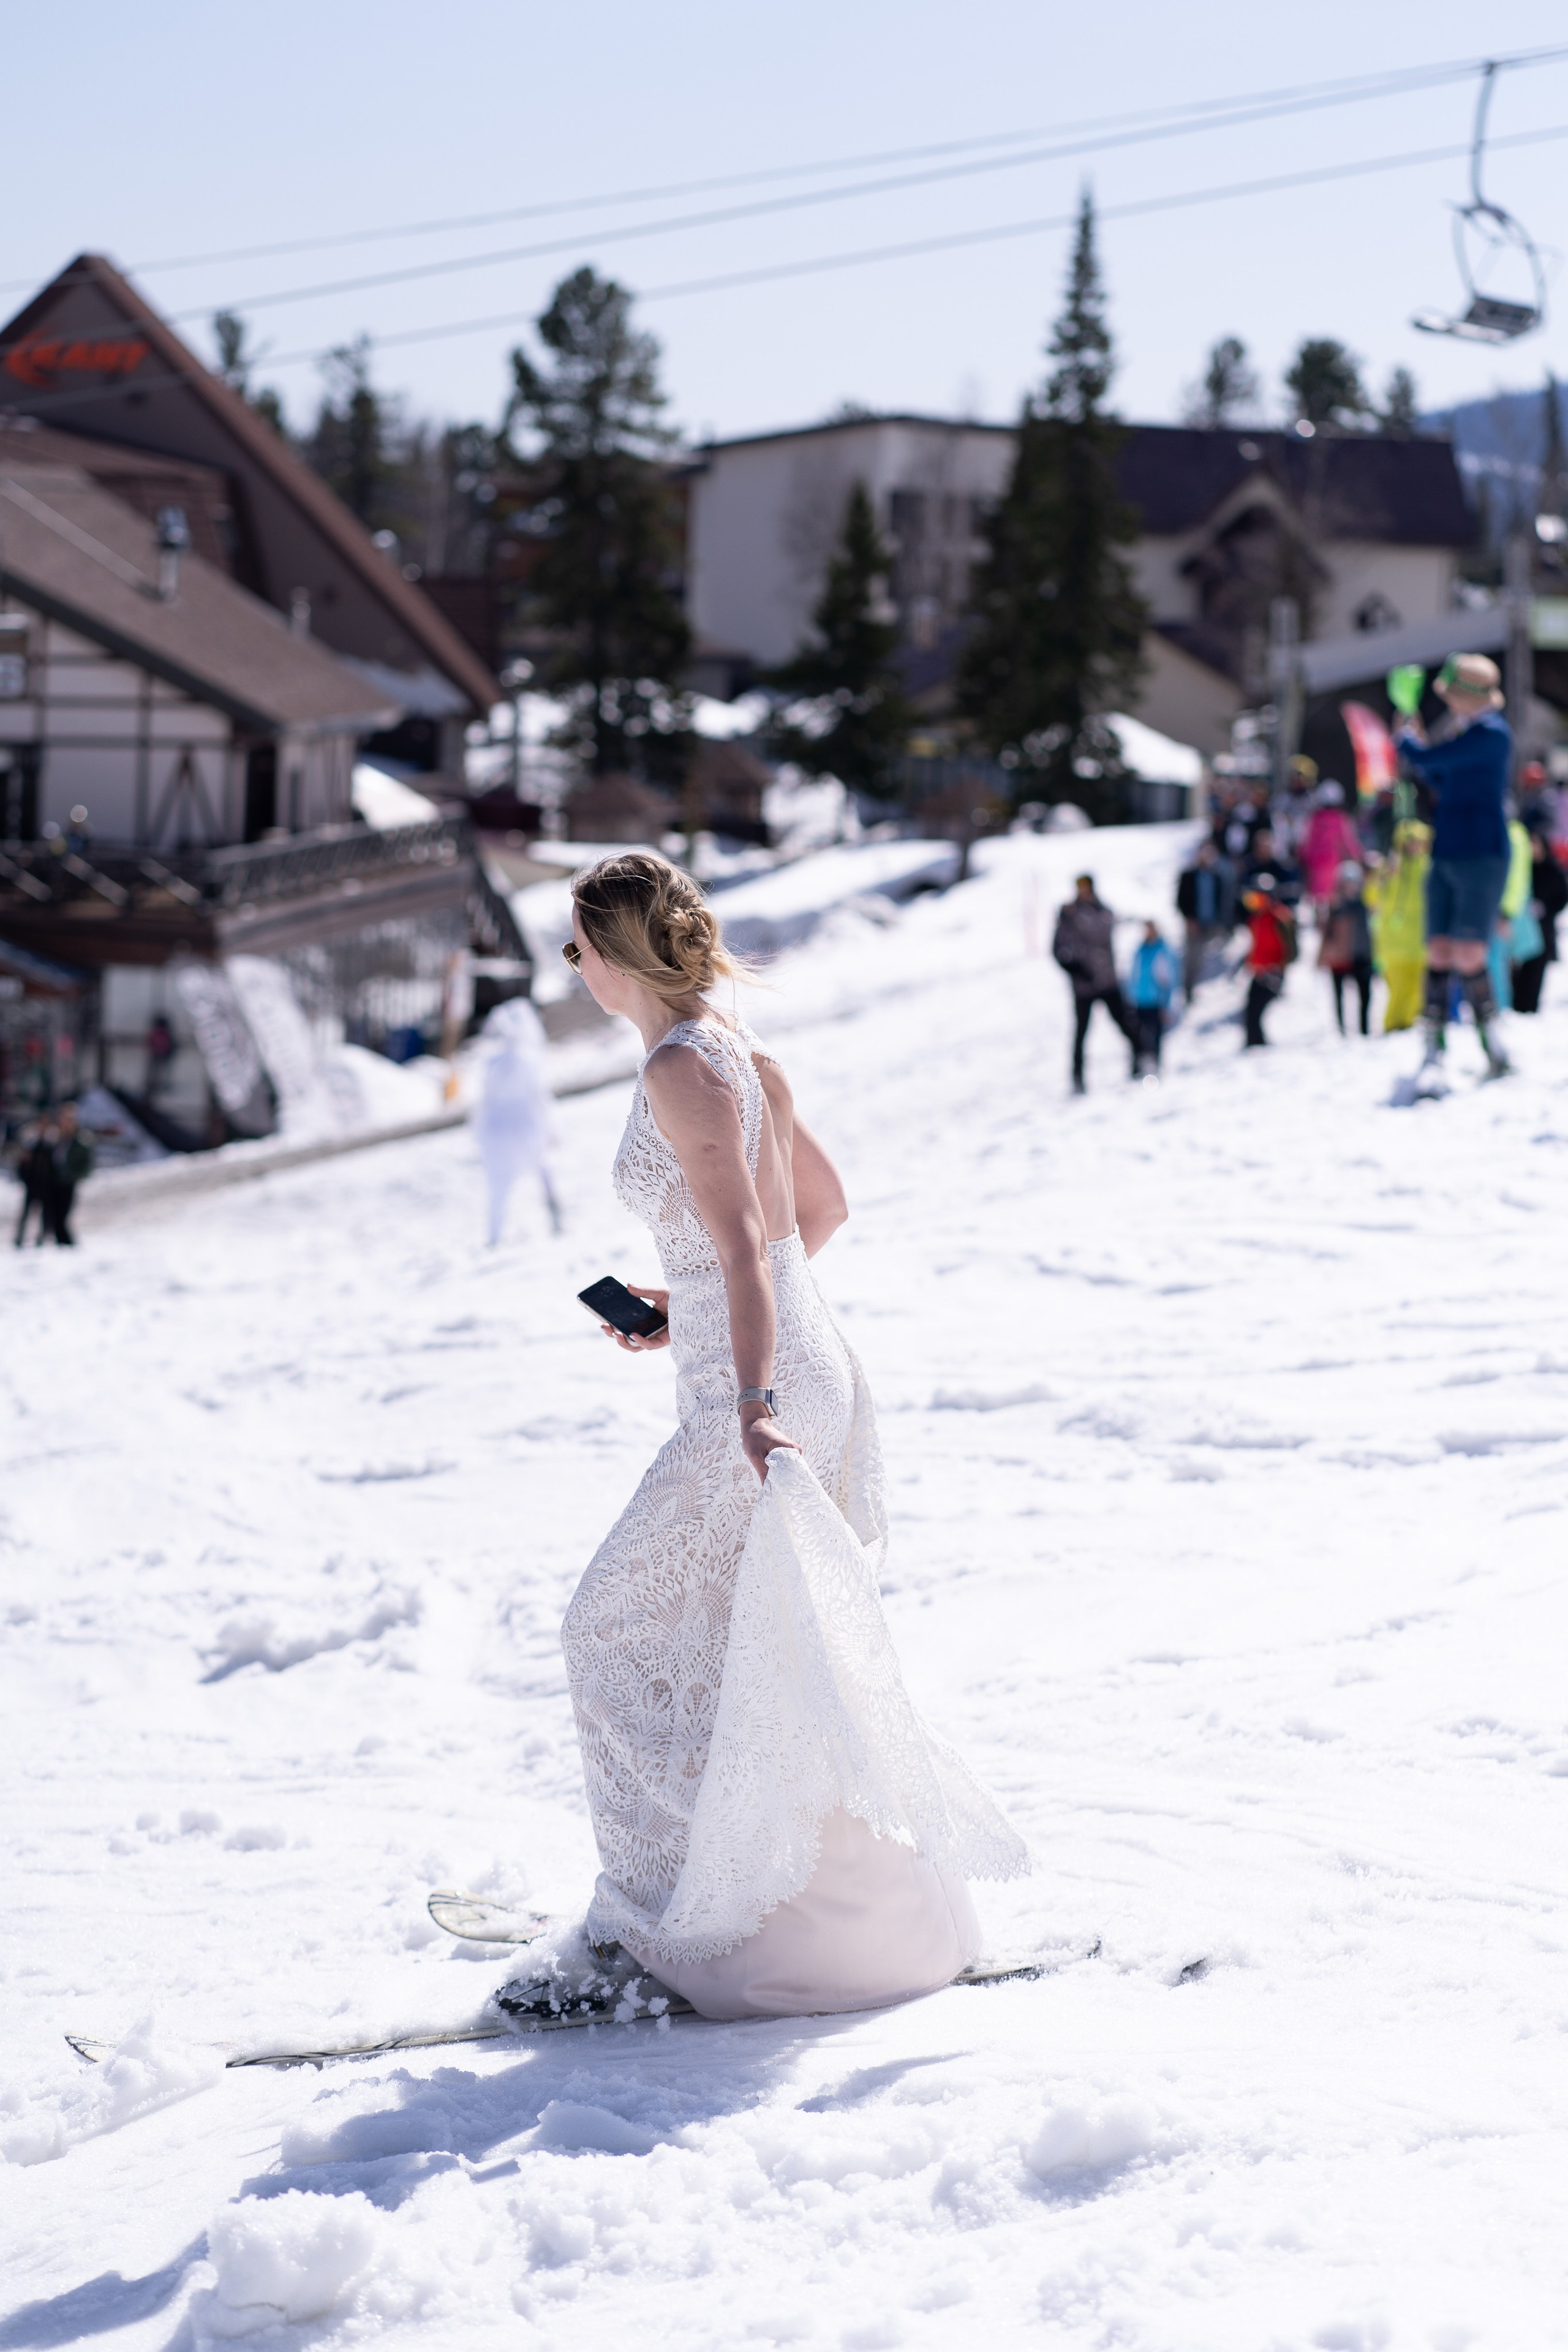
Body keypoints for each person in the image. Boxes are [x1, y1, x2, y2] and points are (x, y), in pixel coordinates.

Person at [557, 851, 1026, 2021]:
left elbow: (745, 1243)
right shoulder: (739, 1053)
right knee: (752, 1653)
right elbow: (814, 1216)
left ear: (616, 959)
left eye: (575, 952)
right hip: (781, 1366)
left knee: (609, 1631)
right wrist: (693, 1315)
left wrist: (752, 1401)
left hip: (756, 1397)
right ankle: (785, 1917)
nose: (572, 972)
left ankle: (669, 1922)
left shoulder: (680, 1066)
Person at [1394, 652, 1512, 1079]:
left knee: (1468, 952)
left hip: (1482, 853)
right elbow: (1439, 776)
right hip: (1446, 849)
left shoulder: (1493, 734)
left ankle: (1493, 1043)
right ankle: (1433, 1047)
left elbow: (1431, 761)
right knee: (1438, 950)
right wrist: (1420, 749)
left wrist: (1409, 742)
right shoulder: (1465, 733)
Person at [470, 997, 560, 1242]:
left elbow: (484, 1102)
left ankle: (494, 1234)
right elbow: (539, 1098)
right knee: (543, 1171)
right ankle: (556, 1219)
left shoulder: (492, 1062)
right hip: (525, 1125)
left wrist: (478, 1134)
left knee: (499, 1184)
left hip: (497, 1128)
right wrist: (551, 1130)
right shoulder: (530, 1060)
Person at [1052, 875, 1139, 1094]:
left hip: (1107, 981)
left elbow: (1106, 931)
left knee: (1124, 1023)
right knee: (1081, 1033)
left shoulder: (1102, 911)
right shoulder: (1069, 915)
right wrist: (1075, 969)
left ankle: (1141, 1061)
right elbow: (1057, 948)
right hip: (1083, 986)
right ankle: (1077, 1079)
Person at [1365, 820, 1431, 1033]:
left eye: (1419, 842)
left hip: (1421, 941)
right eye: (1410, 841)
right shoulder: (1390, 869)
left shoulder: (1429, 868)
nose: (1414, 846)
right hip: (1393, 943)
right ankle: (1393, 1026)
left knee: (1418, 990)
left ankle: (1410, 1025)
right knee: (1396, 989)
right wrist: (1379, 879)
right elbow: (1371, 898)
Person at [1511, 821, 1567, 1014]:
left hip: (1544, 928)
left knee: (1536, 970)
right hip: (1522, 928)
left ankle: (1530, 1008)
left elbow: (1562, 897)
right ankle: (1517, 1006)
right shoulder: (1524, 868)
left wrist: (1545, 909)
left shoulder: (1552, 870)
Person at [1317, 861, 1375, 1036]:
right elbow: (1327, 934)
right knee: (1339, 995)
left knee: (1365, 995)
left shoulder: (1366, 903)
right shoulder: (1335, 907)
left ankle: (1364, 1030)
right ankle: (1342, 1030)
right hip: (1341, 957)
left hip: (1362, 955)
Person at [1240, 873, 1294, 1049]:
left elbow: (1291, 949)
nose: (1253, 903)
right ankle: (1254, 1046)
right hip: (1258, 972)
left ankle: (1259, 1048)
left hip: (1271, 974)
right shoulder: (1256, 919)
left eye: (1256, 898)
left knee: (1255, 1013)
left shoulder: (1279, 917)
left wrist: (1278, 970)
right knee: (1250, 1013)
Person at [1300, 782, 1363, 925]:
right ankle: (1329, 925)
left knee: (1319, 896)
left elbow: (1305, 842)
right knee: (1331, 896)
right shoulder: (1341, 818)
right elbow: (1349, 841)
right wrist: (1358, 856)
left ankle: (1322, 925)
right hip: (1332, 862)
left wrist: (1303, 857)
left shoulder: (1314, 818)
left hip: (1316, 863)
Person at [1175, 839, 1229, 998]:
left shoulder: (1217, 876)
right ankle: (1187, 989)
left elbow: (1221, 901)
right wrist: (1189, 920)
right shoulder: (1189, 876)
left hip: (1211, 923)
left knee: (1205, 959)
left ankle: (1198, 987)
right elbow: (1180, 901)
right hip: (1194, 924)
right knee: (1191, 957)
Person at [1125, 921, 1178, 1074]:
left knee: (1155, 1035)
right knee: (1137, 1035)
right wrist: (1130, 996)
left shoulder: (1162, 951)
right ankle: (1137, 1067)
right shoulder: (1140, 950)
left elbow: (1168, 979)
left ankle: (1156, 1066)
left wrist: (1166, 1003)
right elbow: (1133, 975)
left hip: (1155, 1000)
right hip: (1139, 999)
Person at [43, 1101, 94, 1244]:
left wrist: (71, 1175)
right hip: (54, 1182)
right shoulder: (56, 1137)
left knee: (62, 1217)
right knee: (52, 1216)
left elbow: (87, 1164)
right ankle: (61, 1246)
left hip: (68, 1183)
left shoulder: (81, 1140)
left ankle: (68, 1246)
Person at [12, 1115, 57, 1247]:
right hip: (32, 1185)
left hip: (45, 1185)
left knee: (44, 1215)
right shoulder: (32, 1145)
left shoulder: (50, 1146)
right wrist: (25, 1179)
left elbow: (54, 1167)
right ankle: (19, 1239)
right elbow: (23, 1165)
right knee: (26, 1213)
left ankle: (41, 1239)